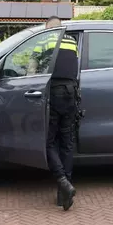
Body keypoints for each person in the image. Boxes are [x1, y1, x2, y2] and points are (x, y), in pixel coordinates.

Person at [28, 16, 80, 210]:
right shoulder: (72, 42)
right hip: (71, 94)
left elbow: (32, 70)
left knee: (48, 141)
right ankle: (63, 196)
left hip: (54, 94)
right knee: (66, 143)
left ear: (49, 29)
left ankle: (62, 181)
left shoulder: (43, 42)